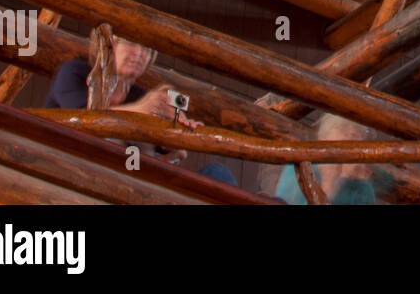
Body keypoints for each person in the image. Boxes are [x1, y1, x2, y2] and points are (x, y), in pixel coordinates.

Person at [45, 35, 237, 185]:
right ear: (110, 45)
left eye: (146, 49)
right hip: (69, 169)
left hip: (136, 183)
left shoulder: (141, 95)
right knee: (114, 140)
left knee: (218, 173)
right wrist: (142, 109)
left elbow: (159, 154)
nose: (138, 54)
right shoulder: (75, 72)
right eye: (130, 44)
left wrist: (176, 138)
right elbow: (84, 119)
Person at [272, 113, 377, 205]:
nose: (352, 135)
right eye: (343, 127)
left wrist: (345, 178)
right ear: (324, 136)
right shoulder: (299, 167)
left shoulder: (362, 187)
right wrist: (335, 182)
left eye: (359, 132)